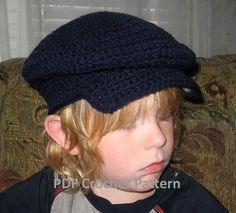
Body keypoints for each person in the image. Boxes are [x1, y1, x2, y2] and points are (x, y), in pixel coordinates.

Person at [0, 11, 228, 213]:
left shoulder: (189, 203)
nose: (159, 138)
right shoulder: (48, 192)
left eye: (164, 116)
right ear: (67, 136)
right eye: (127, 124)